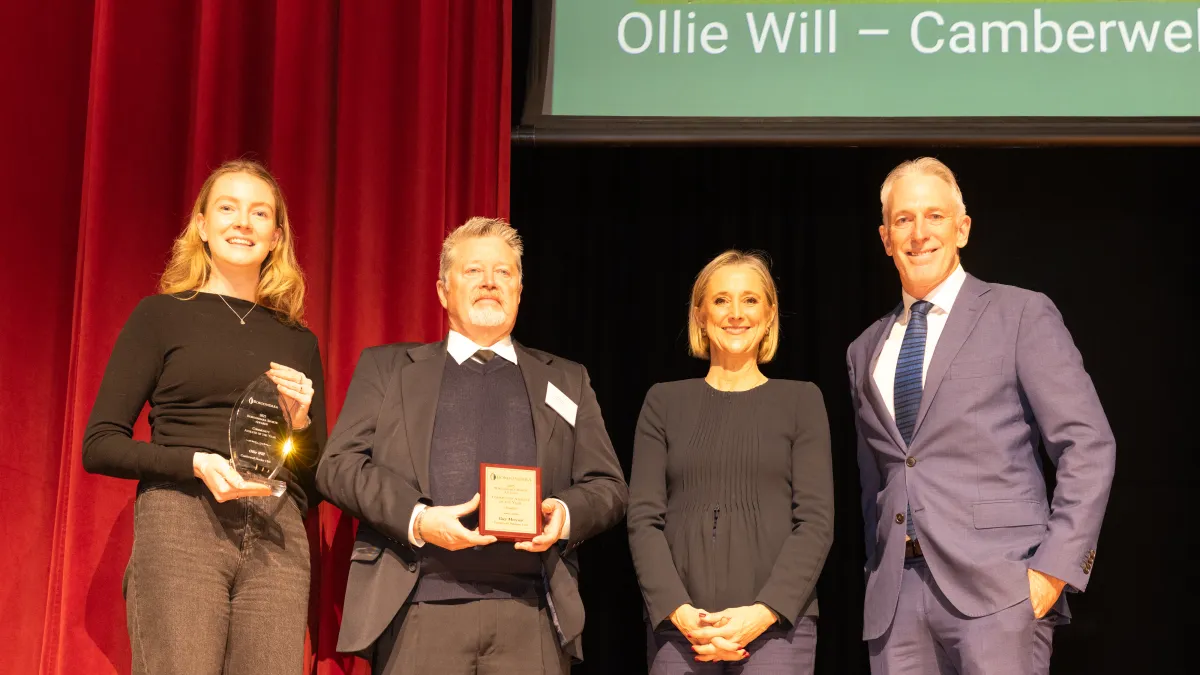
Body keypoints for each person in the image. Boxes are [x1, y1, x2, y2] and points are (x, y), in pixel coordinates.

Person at [316, 217, 628, 674]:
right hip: (418, 608)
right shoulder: (388, 369)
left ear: (520, 290)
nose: (489, 282)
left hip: (532, 615)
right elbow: (337, 466)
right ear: (443, 290)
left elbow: (608, 486)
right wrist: (419, 519)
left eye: (504, 273)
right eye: (473, 271)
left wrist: (562, 515)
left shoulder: (566, 379)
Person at [846, 157, 1116, 674]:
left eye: (935, 217)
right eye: (903, 219)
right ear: (884, 237)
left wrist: (1053, 570)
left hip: (1001, 593)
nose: (919, 233)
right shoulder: (864, 349)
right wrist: (876, 576)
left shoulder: (1020, 313)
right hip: (896, 605)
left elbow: (1088, 445)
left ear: (962, 228)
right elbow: (873, 484)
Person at [83, 159, 326, 674]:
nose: (243, 222)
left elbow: (314, 477)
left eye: (259, 213)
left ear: (276, 236)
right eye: (228, 208)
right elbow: (100, 443)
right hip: (181, 521)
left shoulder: (298, 340)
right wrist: (196, 463)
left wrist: (300, 423)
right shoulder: (161, 316)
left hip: (275, 530)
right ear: (201, 226)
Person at [628, 250, 834, 674]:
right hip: (682, 632)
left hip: (776, 630)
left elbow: (815, 522)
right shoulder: (663, 402)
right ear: (700, 315)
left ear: (770, 314)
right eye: (721, 300)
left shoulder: (802, 401)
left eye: (750, 300)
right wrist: (681, 613)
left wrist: (763, 612)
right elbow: (643, 519)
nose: (736, 313)